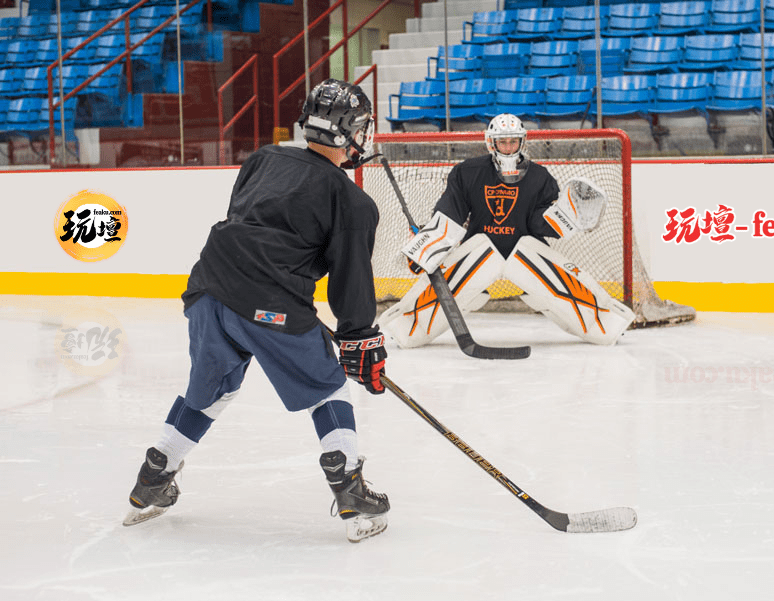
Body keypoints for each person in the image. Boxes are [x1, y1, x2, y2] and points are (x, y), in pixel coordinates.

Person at [124, 79, 390, 543]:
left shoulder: (264, 158)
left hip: (208, 287)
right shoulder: (353, 201)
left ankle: (154, 475)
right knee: (328, 389)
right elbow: (350, 280)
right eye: (363, 126)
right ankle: (348, 486)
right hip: (268, 305)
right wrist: (359, 335)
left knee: (209, 391)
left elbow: (247, 224)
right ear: (350, 132)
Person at [379, 113, 635, 347]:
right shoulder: (468, 173)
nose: (508, 147)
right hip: (479, 253)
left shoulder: (540, 177)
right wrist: (424, 250)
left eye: (513, 142)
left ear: (522, 142)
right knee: (453, 281)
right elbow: (449, 216)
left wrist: (568, 218)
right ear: (491, 143)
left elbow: (540, 224)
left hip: (526, 255)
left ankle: (607, 323)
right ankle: (406, 326)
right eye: (503, 142)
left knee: (560, 292)